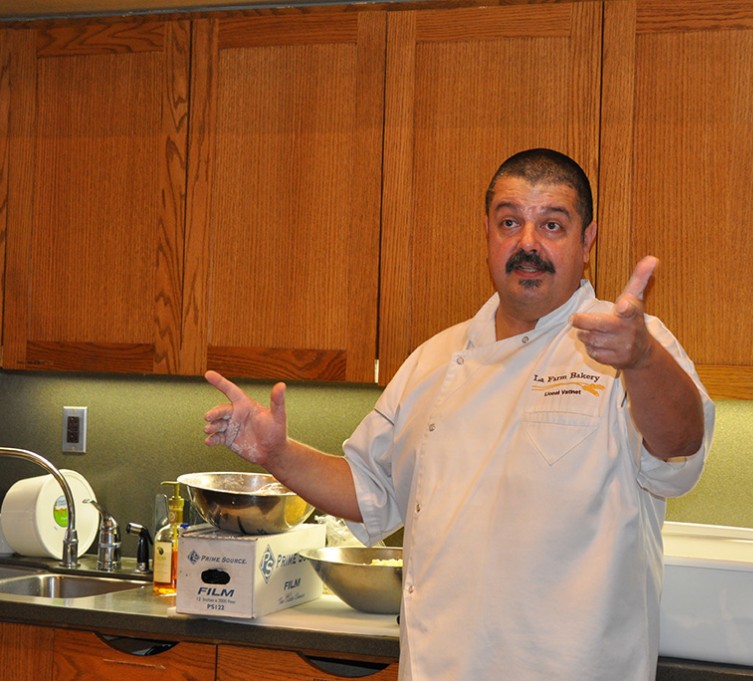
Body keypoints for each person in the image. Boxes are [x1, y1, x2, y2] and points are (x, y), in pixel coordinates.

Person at [203, 148, 715, 681]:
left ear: (587, 241)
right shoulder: (434, 358)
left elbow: (679, 445)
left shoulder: (628, 346)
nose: (528, 244)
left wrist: (642, 358)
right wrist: (278, 454)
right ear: (489, 236)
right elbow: (368, 489)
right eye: (510, 222)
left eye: (553, 225)